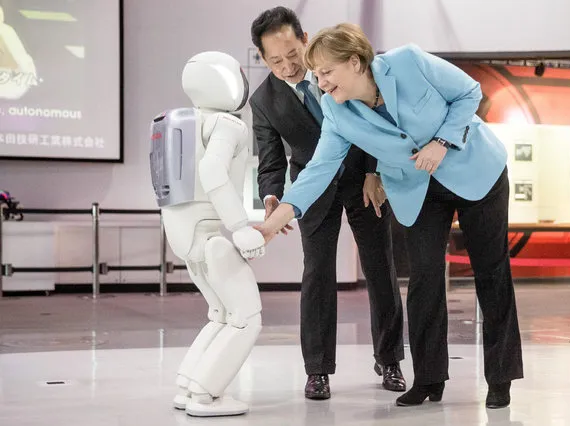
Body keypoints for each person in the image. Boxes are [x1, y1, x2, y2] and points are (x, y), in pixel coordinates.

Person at [255, 23, 524, 409]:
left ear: (354, 62)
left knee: (491, 272)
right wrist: (273, 221)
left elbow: (468, 93)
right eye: (318, 75)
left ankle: (500, 378)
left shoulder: (408, 62)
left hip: (475, 171)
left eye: (327, 72)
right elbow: (317, 169)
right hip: (417, 187)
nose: (322, 83)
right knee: (424, 279)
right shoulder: (337, 110)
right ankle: (429, 379)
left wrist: (442, 141)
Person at [249, 7, 405, 400]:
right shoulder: (263, 100)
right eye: (274, 61)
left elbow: (379, 119)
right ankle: (317, 370)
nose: (286, 67)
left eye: (291, 56)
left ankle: (389, 359)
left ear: (305, 40)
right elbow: (269, 160)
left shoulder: (336, 70)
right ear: (262, 59)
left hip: (364, 179)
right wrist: (271, 196)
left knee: (380, 267)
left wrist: (377, 171)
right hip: (312, 188)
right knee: (317, 275)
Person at [149, 51, 264, 417]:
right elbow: (214, 171)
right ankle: (205, 394)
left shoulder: (176, 123)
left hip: (185, 234)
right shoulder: (226, 125)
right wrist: (241, 227)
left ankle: (188, 385)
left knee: (220, 314)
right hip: (212, 233)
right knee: (246, 316)